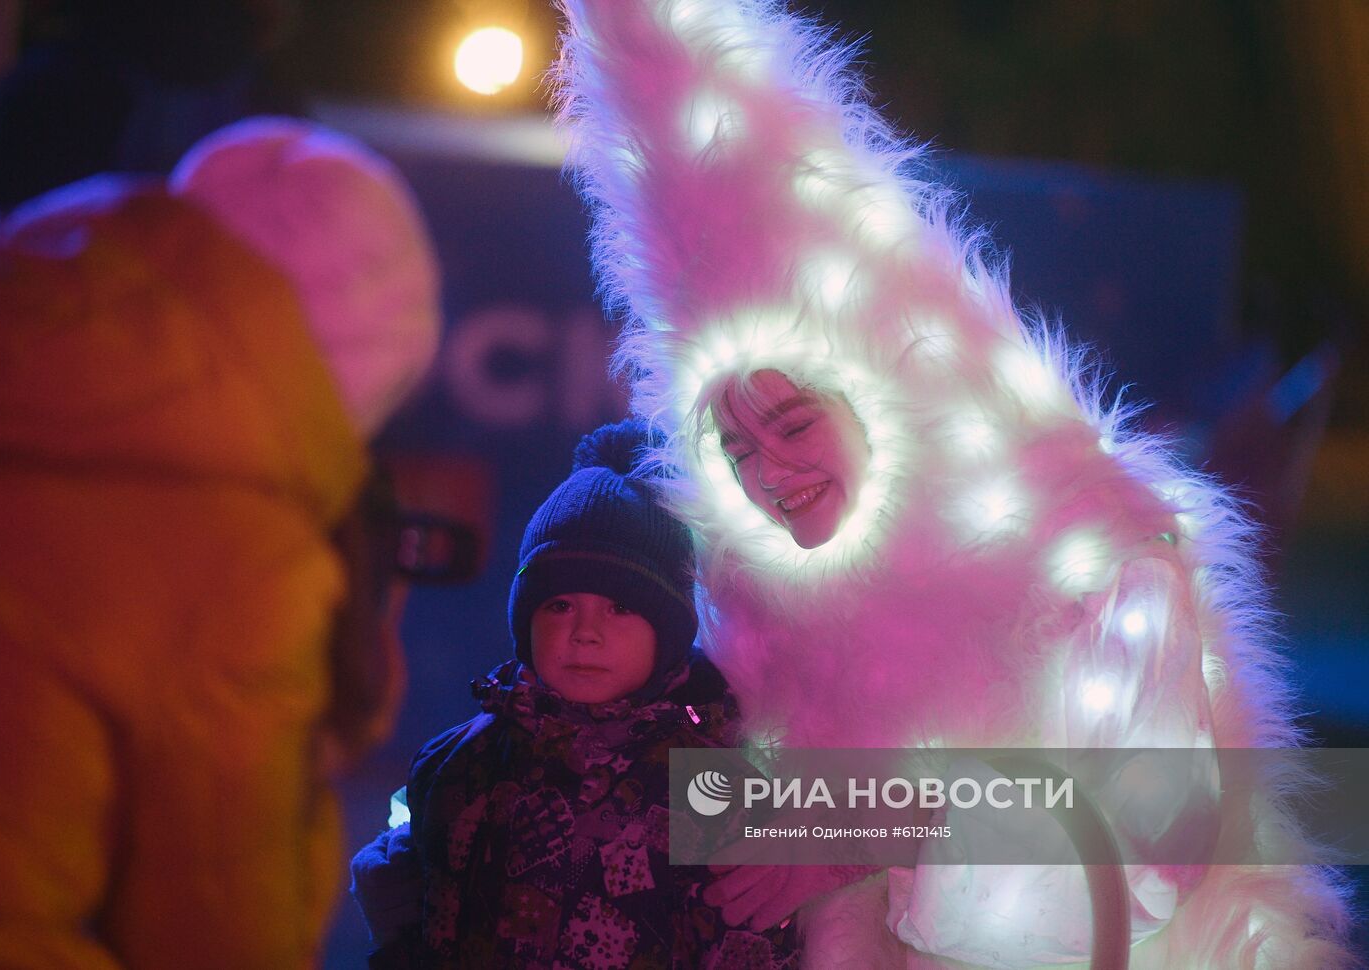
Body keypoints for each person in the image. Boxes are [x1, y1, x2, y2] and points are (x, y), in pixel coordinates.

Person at [551, 0, 1352, 967]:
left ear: (887, 387)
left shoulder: (1091, 548)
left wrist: (858, 830)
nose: (769, 472)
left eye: (796, 422)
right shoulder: (758, 611)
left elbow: (1147, 850)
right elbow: (707, 825)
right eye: (737, 449)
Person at [0, 116, 439, 968]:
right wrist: (325, 730)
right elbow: (219, 938)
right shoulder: (242, 565)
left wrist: (762, 831)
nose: (762, 468)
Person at [350, 420, 798, 968]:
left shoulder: (718, 772)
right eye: (559, 605)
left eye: (621, 607)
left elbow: (924, 812)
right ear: (524, 621)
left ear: (671, 630)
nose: (586, 631)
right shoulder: (454, 763)